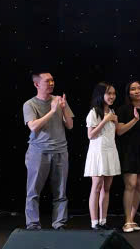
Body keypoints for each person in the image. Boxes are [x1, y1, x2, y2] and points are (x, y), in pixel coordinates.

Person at [22, 71, 73, 230]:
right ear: (37, 84)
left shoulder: (59, 100)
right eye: (47, 81)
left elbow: (70, 125)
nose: (51, 83)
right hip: (38, 152)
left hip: (60, 150)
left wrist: (63, 108)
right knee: (33, 191)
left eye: (52, 80)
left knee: (60, 192)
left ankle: (59, 223)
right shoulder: (30, 104)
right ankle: (33, 224)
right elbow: (33, 126)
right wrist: (52, 111)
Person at [83, 82, 122, 230]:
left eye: (113, 94)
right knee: (97, 186)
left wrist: (116, 121)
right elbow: (90, 135)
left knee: (107, 187)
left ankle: (103, 220)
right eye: (108, 93)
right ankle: (94, 222)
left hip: (110, 150)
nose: (112, 96)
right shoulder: (94, 112)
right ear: (101, 95)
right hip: (98, 152)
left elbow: (116, 132)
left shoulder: (112, 111)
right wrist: (105, 120)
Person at [115, 81, 140, 233]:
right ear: (128, 93)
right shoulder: (123, 109)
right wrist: (135, 120)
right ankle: (127, 221)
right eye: (133, 89)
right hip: (128, 149)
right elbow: (119, 131)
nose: (137, 91)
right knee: (131, 184)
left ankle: (133, 219)